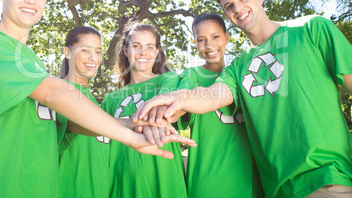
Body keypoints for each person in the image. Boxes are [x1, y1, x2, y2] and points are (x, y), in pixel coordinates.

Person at [0, 0, 195, 197]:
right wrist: (130, 137)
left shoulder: (33, 64)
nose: (31, 0)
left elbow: (64, 124)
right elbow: (52, 92)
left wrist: (128, 123)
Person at [133, 0, 352, 198]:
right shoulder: (238, 66)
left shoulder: (311, 29)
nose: (237, 8)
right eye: (229, 6)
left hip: (328, 178)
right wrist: (178, 98)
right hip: (277, 190)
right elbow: (214, 95)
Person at [178, 11, 263, 197]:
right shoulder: (192, 76)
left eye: (215, 36)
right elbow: (180, 101)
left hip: (251, 177)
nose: (209, 45)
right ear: (195, 43)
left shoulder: (244, 72)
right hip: (208, 179)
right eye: (201, 39)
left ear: (226, 37)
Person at [102, 23, 188, 198]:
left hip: (163, 181)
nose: (143, 52)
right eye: (136, 46)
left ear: (157, 52)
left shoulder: (168, 80)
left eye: (150, 47)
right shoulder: (110, 100)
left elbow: (163, 112)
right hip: (120, 184)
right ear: (125, 50)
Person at [57, 26, 110, 198]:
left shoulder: (93, 102)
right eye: (85, 50)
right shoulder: (56, 93)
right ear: (68, 52)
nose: (93, 58)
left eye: (98, 51)